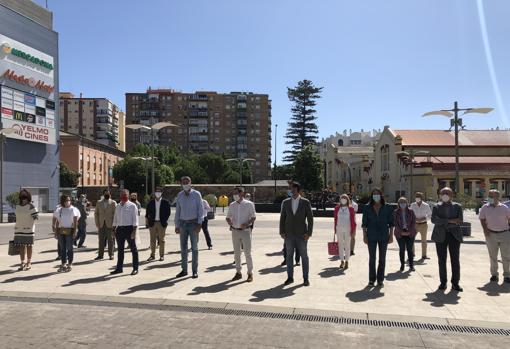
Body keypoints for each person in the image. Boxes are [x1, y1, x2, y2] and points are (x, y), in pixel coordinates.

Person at [280, 181, 314, 286]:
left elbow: (310, 218)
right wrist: (281, 231)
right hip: (289, 234)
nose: (292, 191)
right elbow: (282, 218)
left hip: (302, 234)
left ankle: (305, 278)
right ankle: (290, 277)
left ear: (298, 191)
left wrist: (309, 233)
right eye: (291, 189)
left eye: (294, 189)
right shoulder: (285, 202)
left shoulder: (305, 202)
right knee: (289, 256)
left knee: (304, 256)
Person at [431, 187, 464, 292]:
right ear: (440, 195)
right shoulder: (436, 207)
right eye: (443, 193)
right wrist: (450, 221)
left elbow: (459, 220)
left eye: (447, 193)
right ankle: (443, 282)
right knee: (442, 260)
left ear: (452, 195)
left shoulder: (457, 206)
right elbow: (433, 220)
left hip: (454, 236)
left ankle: (455, 283)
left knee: (455, 260)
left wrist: (443, 221)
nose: (445, 195)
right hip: (440, 236)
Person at [361, 188, 394, 288]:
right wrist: (364, 236)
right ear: (372, 196)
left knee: (382, 259)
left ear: (381, 195)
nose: (376, 196)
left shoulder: (387, 207)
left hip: (384, 235)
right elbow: (364, 224)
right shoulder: (367, 207)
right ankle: (371, 279)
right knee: (372, 259)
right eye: (374, 194)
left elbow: (391, 223)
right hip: (371, 236)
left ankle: (380, 280)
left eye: (377, 194)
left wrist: (391, 235)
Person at [174, 176, 203, 279]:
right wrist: (177, 225)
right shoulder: (180, 195)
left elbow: (201, 210)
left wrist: (200, 224)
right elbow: (178, 211)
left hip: (193, 224)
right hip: (182, 224)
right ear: (181, 183)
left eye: (187, 182)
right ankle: (184, 270)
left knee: (194, 248)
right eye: (183, 182)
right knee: (183, 248)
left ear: (191, 183)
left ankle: (194, 271)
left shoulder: (196, 194)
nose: (185, 184)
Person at [479, 189, 510, 284]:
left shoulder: (504, 208)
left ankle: (507, 275)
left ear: (498, 197)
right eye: (489, 196)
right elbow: (482, 219)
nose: (490, 198)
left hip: (504, 234)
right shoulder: (485, 207)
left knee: (506, 256)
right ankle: (494, 275)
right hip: (491, 234)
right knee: (493, 256)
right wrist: (485, 230)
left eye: (492, 196)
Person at [227, 187, 256, 282]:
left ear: (242, 193)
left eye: (236, 193)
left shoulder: (249, 204)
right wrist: (229, 221)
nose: (234, 195)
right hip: (235, 231)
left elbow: (253, 217)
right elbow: (228, 217)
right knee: (237, 253)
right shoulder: (232, 205)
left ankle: (250, 273)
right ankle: (238, 272)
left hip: (245, 231)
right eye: (233, 193)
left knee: (247, 253)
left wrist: (246, 224)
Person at [111, 189, 139, 275]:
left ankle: (135, 268)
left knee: (133, 249)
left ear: (128, 195)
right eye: (122, 194)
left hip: (129, 229)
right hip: (119, 229)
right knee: (120, 250)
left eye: (125, 195)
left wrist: (134, 232)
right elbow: (115, 218)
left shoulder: (132, 206)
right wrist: (113, 229)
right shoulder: (118, 206)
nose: (124, 196)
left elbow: (135, 220)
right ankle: (119, 268)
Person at [13, 189, 38, 271]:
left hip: (29, 229)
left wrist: (33, 213)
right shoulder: (17, 206)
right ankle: (22, 262)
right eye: (22, 195)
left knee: (29, 245)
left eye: (25, 195)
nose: (23, 197)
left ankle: (29, 262)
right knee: (21, 246)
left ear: (28, 196)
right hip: (19, 229)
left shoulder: (31, 206)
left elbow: (36, 217)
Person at [53, 195, 80, 272]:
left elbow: (75, 221)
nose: (68, 202)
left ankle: (70, 263)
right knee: (62, 248)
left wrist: (75, 231)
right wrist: (55, 232)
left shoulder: (73, 209)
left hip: (70, 231)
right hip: (61, 231)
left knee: (70, 248)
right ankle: (63, 264)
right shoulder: (60, 209)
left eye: (69, 200)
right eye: (66, 200)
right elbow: (57, 221)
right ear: (63, 201)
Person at [146, 187, 171, 262]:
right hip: (152, 223)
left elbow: (168, 213)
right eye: (156, 191)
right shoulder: (151, 202)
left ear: (162, 193)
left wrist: (164, 220)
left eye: (159, 191)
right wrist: (148, 222)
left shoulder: (165, 202)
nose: (158, 193)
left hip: (161, 223)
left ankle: (162, 255)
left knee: (162, 240)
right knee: (152, 240)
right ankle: (152, 255)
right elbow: (147, 213)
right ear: (154, 193)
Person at [333, 194, 357, 270]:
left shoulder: (351, 209)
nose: (343, 199)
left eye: (345, 198)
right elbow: (335, 219)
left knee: (347, 245)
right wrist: (335, 229)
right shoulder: (337, 208)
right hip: (339, 229)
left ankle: (347, 261)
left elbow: (353, 221)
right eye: (342, 198)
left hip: (348, 229)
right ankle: (342, 261)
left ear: (347, 200)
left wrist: (353, 230)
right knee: (340, 245)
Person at [393, 197, 417, 272]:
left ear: (407, 203)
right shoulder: (396, 212)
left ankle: (411, 265)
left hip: (410, 233)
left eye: (404, 202)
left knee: (410, 249)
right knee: (402, 249)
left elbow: (414, 222)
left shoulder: (411, 211)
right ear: (398, 204)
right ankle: (402, 265)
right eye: (401, 202)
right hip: (399, 233)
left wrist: (409, 231)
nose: (402, 204)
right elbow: (395, 223)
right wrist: (401, 232)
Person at [94, 189, 117, 260]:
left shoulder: (113, 203)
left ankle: (111, 254)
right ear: (103, 194)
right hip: (101, 224)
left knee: (110, 240)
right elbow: (96, 213)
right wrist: (97, 223)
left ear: (110, 194)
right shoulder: (99, 202)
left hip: (110, 224)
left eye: (108, 194)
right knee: (101, 240)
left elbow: (115, 214)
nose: (107, 195)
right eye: (105, 193)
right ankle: (100, 255)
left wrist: (115, 224)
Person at [409, 192, 432, 260]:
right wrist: (414, 219)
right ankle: (412, 254)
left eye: (419, 196)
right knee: (411, 240)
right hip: (414, 225)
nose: (417, 197)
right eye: (416, 196)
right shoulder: (412, 205)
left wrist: (424, 218)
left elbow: (430, 215)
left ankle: (424, 255)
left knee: (424, 241)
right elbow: (409, 214)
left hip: (423, 225)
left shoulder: (426, 205)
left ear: (422, 197)